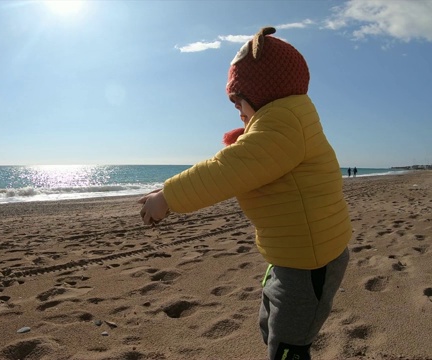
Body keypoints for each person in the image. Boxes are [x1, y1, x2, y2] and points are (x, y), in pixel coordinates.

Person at [138, 26, 351, 360]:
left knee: (288, 346)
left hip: (310, 260)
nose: (236, 107)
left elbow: (228, 170)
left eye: (238, 98)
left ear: (264, 91)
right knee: (271, 328)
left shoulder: (284, 124)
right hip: (292, 254)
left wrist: (168, 197)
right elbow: (251, 157)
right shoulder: (286, 118)